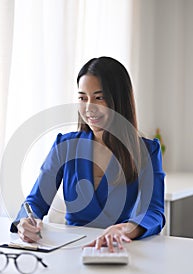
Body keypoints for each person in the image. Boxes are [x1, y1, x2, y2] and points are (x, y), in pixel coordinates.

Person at [11, 56, 165, 251]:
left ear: (118, 100)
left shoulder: (147, 151)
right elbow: (35, 202)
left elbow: (154, 211)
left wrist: (126, 229)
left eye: (99, 98)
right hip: (70, 251)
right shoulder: (65, 146)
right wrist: (25, 221)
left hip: (120, 249)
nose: (89, 107)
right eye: (83, 98)